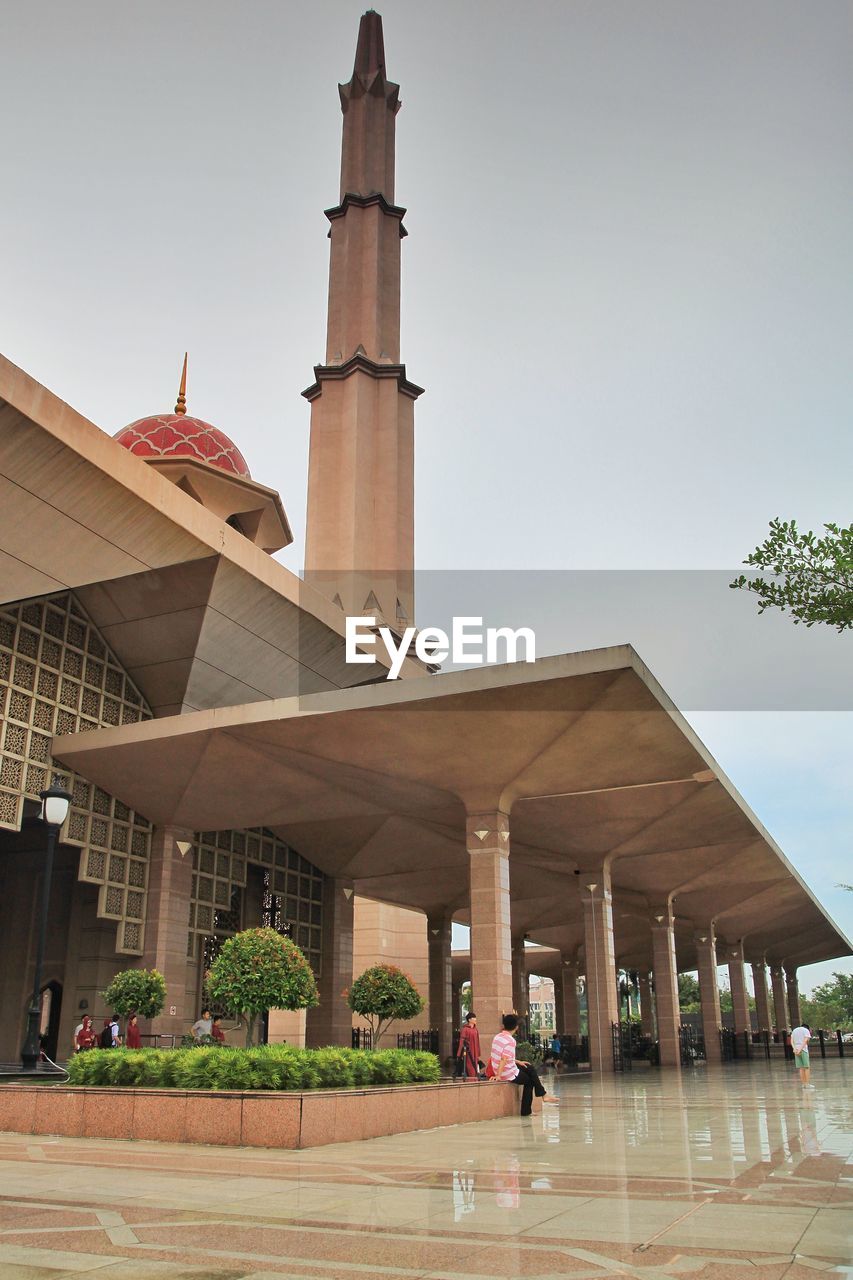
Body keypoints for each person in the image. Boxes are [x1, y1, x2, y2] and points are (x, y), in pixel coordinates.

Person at [489, 1013, 556, 1116]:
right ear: (516, 1027)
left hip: (500, 1068)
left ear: (503, 1025)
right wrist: (498, 1075)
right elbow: (504, 1058)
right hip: (507, 1072)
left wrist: (518, 1061)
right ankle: (528, 1109)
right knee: (529, 1081)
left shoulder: (497, 1037)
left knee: (529, 1067)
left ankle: (543, 1094)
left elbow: (503, 1056)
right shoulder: (510, 1040)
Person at [455, 1011, 481, 1079]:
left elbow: (478, 1042)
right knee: (470, 1069)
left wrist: (478, 1053)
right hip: (468, 1052)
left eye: (475, 1017)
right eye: (473, 1018)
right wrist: (459, 1054)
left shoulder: (476, 1030)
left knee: (475, 1069)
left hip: (475, 1053)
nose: (475, 1019)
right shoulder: (465, 1029)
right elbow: (461, 1041)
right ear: (469, 1020)